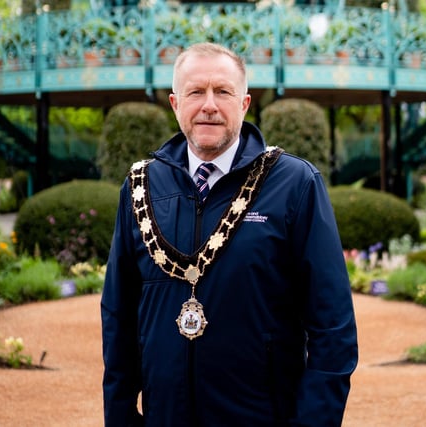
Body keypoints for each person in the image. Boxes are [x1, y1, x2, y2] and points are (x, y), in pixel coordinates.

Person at [101, 42, 358, 427]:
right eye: (195, 92)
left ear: (244, 103)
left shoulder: (295, 184)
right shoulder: (141, 186)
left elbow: (332, 324)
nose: (208, 105)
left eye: (223, 91)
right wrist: (120, 416)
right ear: (175, 104)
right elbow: (118, 315)